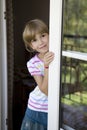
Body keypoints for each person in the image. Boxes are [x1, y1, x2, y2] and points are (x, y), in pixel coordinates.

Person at [21, 19, 54, 130]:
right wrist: (46, 66)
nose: (41, 42)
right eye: (35, 40)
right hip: (38, 109)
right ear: (31, 46)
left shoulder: (57, 54)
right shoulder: (32, 63)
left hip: (56, 107)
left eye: (43, 35)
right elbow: (45, 90)